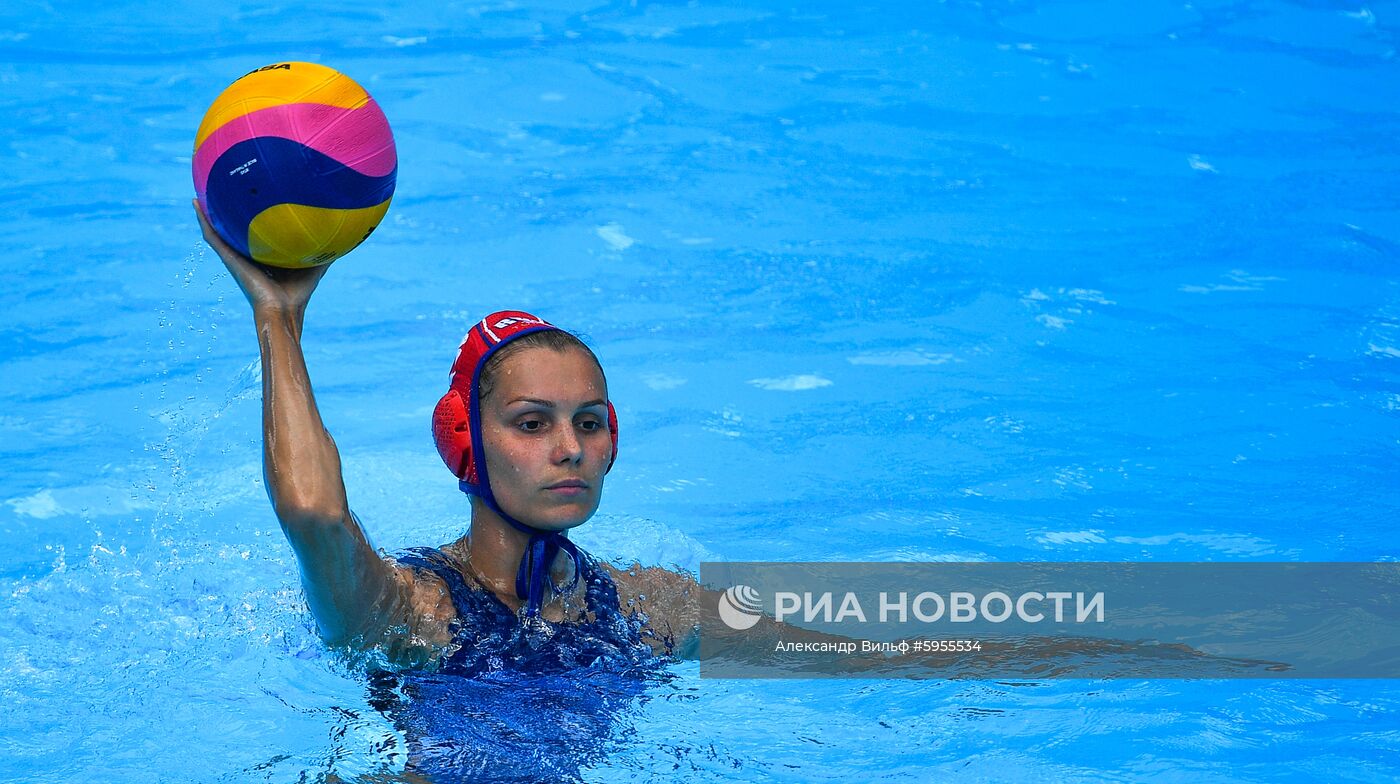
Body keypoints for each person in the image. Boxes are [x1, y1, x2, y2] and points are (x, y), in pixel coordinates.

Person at [195, 203, 701, 674]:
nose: (570, 448)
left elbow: (783, 642)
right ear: (462, 441)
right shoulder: (418, 614)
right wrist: (277, 320)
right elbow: (315, 516)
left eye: (588, 423)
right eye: (532, 423)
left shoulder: (648, 606)